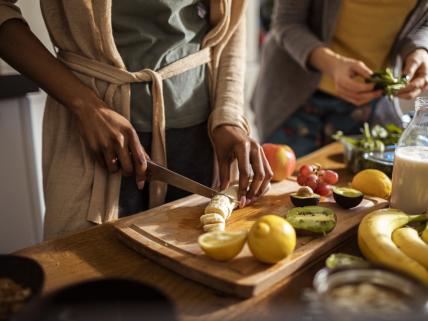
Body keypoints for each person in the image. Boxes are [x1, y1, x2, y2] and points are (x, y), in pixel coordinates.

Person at [0, 0, 272, 238]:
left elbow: (233, 20)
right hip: (95, 141)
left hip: (203, 140)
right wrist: (85, 105)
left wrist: (229, 116)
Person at [252, 0, 428, 156]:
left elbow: (425, 21)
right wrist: (332, 64)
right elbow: (287, 22)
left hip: (369, 105)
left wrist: (420, 51)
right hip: (293, 100)